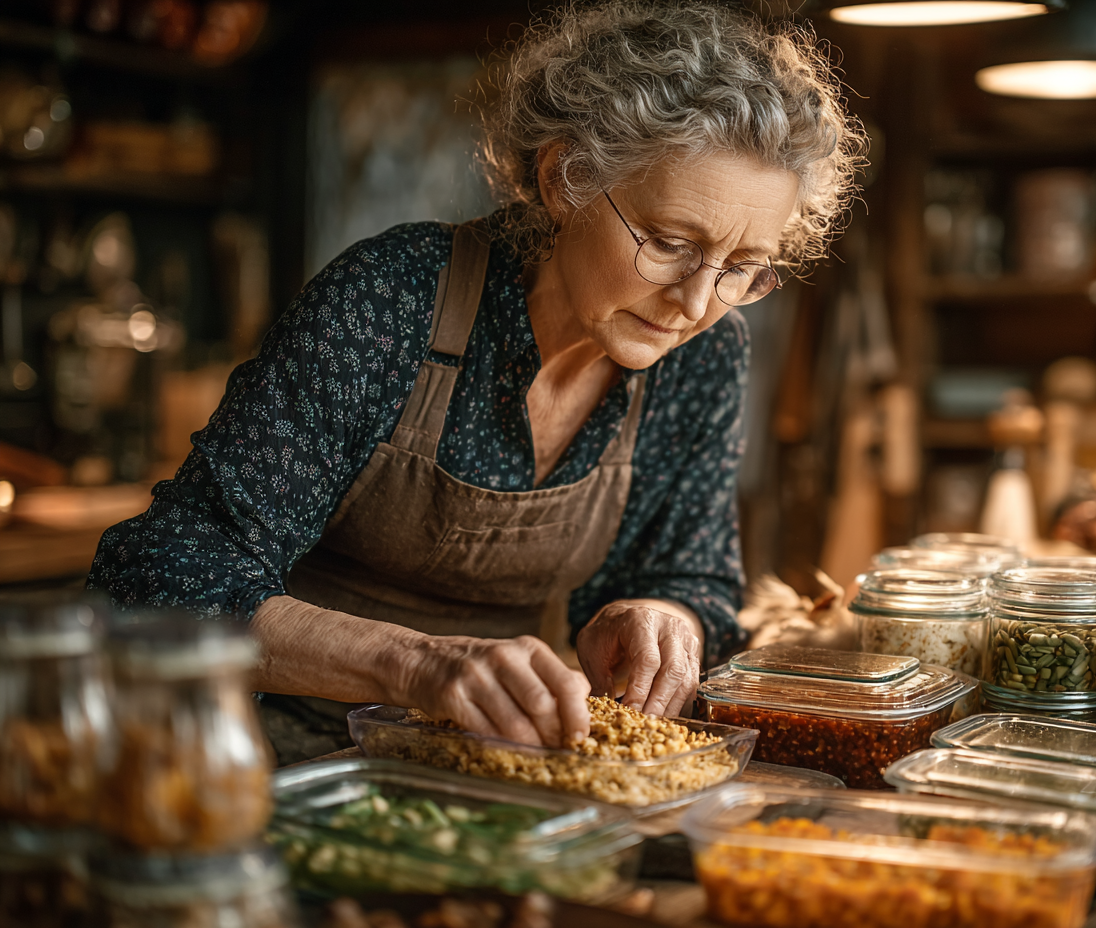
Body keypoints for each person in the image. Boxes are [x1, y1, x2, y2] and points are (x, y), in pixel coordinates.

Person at [88, 0, 863, 764]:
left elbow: (690, 576)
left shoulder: (704, 352)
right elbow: (157, 580)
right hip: (258, 760)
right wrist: (414, 665)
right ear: (564, 179)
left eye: (743, 267)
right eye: (667, 243)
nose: (695, 304)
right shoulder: (391, 299)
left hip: (486, 765)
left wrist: (666, 616)